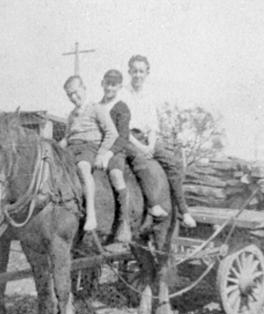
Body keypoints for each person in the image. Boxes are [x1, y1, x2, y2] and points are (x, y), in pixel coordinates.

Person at [122, 54, 197, 228]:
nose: (138, 75)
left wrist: (150, 145)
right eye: (135, 71)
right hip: (130, 138)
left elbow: (153, 127)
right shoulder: (123, 94)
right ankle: (149, 206)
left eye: (141, 71)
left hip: (148, 139)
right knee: (139, 165)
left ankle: (183, 211)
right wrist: (141, 147)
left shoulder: (149, 95)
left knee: (174, 164)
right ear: (129, 72)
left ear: (147, 73)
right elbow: (123, 127)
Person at [61, 75, 131, 241]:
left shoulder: (96, 108)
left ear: (84, 89)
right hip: (72, 147)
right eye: (69, 95)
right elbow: (67, 137)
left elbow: (112, 133)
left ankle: (91, 215)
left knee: (83, 169)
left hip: (89, 147)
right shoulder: (71, 115)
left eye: (76, 92)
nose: (73, 97)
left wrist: (101, 154)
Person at [99, 69, 168, 220]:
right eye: (107, 84)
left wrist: (110, 152)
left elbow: (123, 134)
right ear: (102, 84)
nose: (109, 88)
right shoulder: (97, 106)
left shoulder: (121, 106)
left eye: (114, 85)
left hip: (118, 145)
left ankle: (152, 204)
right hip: (100, 144)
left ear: (119, 87)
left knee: (138, 162)